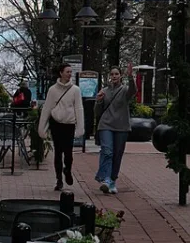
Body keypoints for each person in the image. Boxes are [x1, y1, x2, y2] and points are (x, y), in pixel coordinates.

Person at [38, 64, 84, 190]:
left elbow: (79, 108)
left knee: (68, 153)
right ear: (61, 73)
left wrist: (80, 127)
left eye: (70, 72)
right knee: (58, 152)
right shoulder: (52, 90)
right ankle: (59, 180)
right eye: (67, 71)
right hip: (56, 123)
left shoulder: (75, 90)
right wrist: (42, 127)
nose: (69, 74)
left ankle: (67, 170)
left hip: (69, 124)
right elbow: (47, 108)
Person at [94, 66, 135, 194]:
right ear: (109, 76)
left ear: (120, 76)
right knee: (107, 151)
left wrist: (131, 76)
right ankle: (105, 179)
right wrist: (99, 101)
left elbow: (133, 90)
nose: (114, 76)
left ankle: (112, 180)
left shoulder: (124, 90)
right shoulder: (104, 91)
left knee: (117, 154)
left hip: (121, 126)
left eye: (117, 74)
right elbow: (97, 112)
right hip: (106, 125)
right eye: (112, 74)